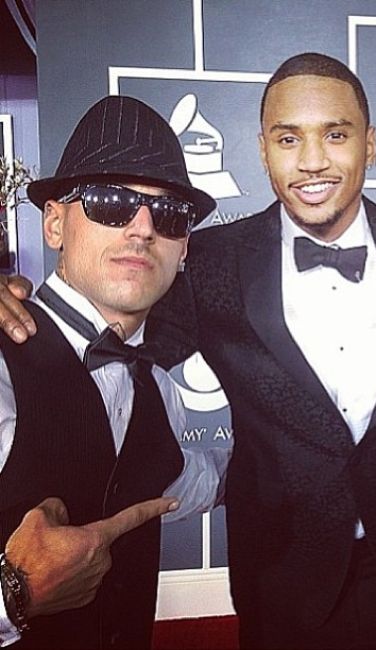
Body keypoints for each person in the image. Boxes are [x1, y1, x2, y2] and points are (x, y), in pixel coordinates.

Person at [0, 53, 376, 649]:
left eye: (335, 134)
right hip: (281, 580)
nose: (312, 161)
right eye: (289, 138)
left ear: (372, 143)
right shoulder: (207, 263)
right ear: (262, 150)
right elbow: (109, 318)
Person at [0, 95, 228, 649]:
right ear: (55, 222)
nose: (144, 227)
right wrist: (11, 596)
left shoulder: (155, 383)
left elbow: (182, 480)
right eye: (110, 202)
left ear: (184, 248)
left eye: (169, 213)